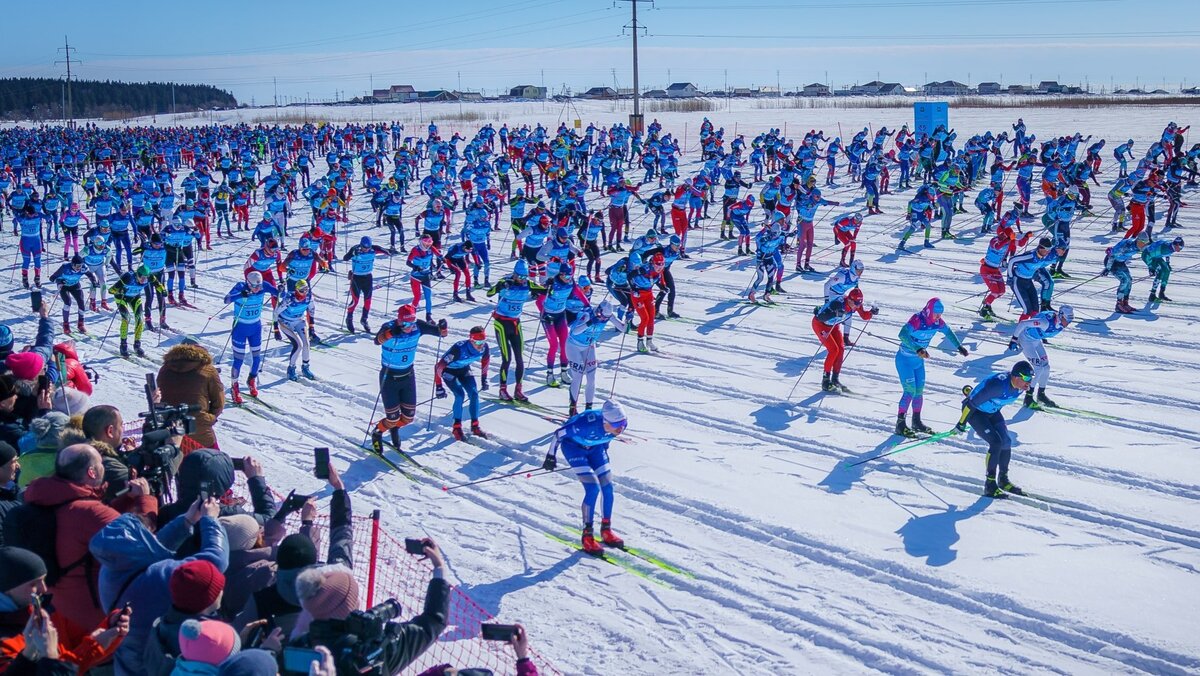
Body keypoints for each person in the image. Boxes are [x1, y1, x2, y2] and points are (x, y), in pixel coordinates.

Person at [12, 445, 157, 630]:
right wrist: (144, 500)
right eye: (101, 463)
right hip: (95, 621)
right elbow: (141, 540)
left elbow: (92, 523)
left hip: (59, 610)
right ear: (91, 472)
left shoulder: (46, 499)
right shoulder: (89, 513)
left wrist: (126, 500)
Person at [89, 496, 227, 676]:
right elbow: (214, 563)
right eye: (149, 536)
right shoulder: (157, 577)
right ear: (139, 542)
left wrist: (187, 521)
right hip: (149, 663)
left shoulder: (111, 566)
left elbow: (152, 550)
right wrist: (211, 520)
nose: (154, 537)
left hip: (126, 656)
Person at [289, 539, 449, 675]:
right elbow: (434, 620)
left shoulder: (296, 649)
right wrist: (439, 567)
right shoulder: (377, 650)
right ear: (350, 606)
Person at [0, 546, 130, 674]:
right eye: (34, 584)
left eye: (44, 580)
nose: (44, 589)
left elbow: (78, 644)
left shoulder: (44, 610)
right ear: (7, 588)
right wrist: (51, 656)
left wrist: (109, 629)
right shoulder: (4, 640)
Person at [541, 400, 629, 554]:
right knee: (593, 488)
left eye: (624, 423)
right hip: (574, 449)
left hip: (596, 448)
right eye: (617, 425)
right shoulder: (585, 424)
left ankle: (606, 530)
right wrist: (550, 456)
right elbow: (559, 434)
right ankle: (587, 536)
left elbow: (607, 439)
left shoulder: (614, 427)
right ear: (605, 421)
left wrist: (605, 451)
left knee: (607, 487)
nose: (621, 429)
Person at [370, 304, 447, 453]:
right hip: (390, 377)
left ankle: (394, 429)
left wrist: (443, 327)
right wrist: (391, 333)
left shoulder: (417, 326)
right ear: (399, 320)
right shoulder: (389, 326)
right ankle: (377, 432)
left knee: (408, 418)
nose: (409, 327)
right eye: (405, 324)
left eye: (412, 323)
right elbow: (377, 341)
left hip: (408, 376)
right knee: (392, 418)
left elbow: (441, 334)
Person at [956, 361, 1034, 498]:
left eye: (1031, 379)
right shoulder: (997, 385)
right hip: (975, 413)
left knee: (1006, 441)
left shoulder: (1020, 386)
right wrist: (961, 423)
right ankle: (990, 484)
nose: (1029, 382)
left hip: (992, 411)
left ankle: (1003, 480)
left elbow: (999, 399)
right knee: (996, 443)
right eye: (1027, 378)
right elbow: (970, 404)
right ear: (1016, 377)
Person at [894, 298, 970, 437]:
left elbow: (948, 332)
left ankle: (916, 422)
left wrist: (959, 346)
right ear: (929, 311)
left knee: (919, 391)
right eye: (936, 314)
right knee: (909, 391)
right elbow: (902, 334)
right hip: (904, 360)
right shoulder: (917, 319)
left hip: (918, 361)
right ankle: (900, 424)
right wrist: (917, 348)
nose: (938, 317)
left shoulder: (937, 322)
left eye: (940, 314)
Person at [486, 260, 544, 402]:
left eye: (525, 277)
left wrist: (551, 283)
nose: (522, 280)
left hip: (515, 323)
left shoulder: (528, 284)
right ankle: (502, 389)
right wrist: (500, 286)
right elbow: (489, 293)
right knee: (507, 358)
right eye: (520, 277)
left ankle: (518, 389)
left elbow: (544, 290)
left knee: (519, 358)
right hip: (501, 323)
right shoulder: (506, 282)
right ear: (514, 274)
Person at [222, 271, 279, 404]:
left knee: (257, 357)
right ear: (248, 283)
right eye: (254, 287)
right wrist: (240, 295)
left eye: (259, 287)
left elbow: (277, 293)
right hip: (240, 328)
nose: (257, 290)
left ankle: (251, 380)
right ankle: (234, 387)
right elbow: (226, 299)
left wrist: (280, 290)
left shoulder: (263, 285)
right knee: (238, 360)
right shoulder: (240, 287)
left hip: (255, 327)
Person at [157, 343, 225, 449]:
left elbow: (159, 396)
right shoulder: (208, 369)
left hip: (170, 425)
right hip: (198, 425)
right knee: (214, 460)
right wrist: (209, 418)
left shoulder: (165, 369)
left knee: (173, 460)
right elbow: (219, 402)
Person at [811, 288, 877, 393]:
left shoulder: (856, 304)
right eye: (856, 303)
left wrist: (872, 312)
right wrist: (834, 313)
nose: (858, 306)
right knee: (834, 350)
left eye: (860, 303)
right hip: (820, 325)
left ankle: (835, 379)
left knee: (841, 349)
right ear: (850, 300)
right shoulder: (838, 303)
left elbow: (864, 316)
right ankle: (825, 381)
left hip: (834, 326)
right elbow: (821, 317)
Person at [564, 301, 624, 417]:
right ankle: (572, 408)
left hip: (589, 346)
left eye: (606, 318)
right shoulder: (587, 315)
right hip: (573, 346)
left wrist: (628, 321)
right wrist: (590, 323)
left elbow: (622, 328)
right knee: (578, 376)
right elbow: (574, 331)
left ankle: (588, 409)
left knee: (591, 378)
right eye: (602, 317)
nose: (603, 320)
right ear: (598, 311)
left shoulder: (608, 316)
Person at [433, 326, 490, 442]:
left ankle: (475, 426)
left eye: (483, 341)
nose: (481, 345)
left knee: (474, 394)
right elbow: (439, 366)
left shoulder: (485, 348)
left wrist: (484, 379)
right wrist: (439, 386)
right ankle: (456, 427)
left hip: (463, 369)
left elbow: (485, 361)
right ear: (471, 340)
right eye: (478, 342)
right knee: (460, 395)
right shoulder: (459, 349)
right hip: (449, 371)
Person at [1012, 305, 1073, 409]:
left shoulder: (1059, 323)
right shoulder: (1045, 323)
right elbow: (1023, 323)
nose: (1068, 323)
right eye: (1067, 320)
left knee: (1046, 368)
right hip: (1026, 341)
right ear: (1061, 316)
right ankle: (1028, 397)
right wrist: (1014, 339)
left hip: (1035, 340)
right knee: (1039, 368)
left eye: (1070, 320)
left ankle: (1041, 395)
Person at [342, 236, 391, 333]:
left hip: (368, 277)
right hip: (356, 278)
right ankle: (349, 319)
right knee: (355, 301)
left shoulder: (373, 249)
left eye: (368, 248)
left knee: (368, 300)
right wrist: (352, 253)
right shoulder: (356, 249)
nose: (366, 250)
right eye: (364, 248)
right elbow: (345, 258)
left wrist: (388, 252)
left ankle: (364, 319)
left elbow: (382, 250)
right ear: (361, 245)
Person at [274, 279, 316, 381]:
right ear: (296, 290)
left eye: (306, 289)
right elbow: (276, 312)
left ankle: (305, 367)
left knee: (306, 344)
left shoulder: (309, 297)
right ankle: (291, 368)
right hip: (285, 322)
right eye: (302, 290)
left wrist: (311, 327)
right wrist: (276, 330)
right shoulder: (289, 298)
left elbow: (311, 310)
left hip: (299, 321)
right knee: (298, 346)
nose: (304, 293)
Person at [1144, 235, 1184, 302]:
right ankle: (1152, 295)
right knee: (1160, 272)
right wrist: (1150, 268)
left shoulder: (1171, 247)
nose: (1180, 250)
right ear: (1176, 245)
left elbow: (1168, 254)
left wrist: (1167, 263)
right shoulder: (1165, 249)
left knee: (1167, 271)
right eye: (1180, 247)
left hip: (1157, 256)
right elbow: (1150, 256)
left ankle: (1161, 293)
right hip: (1149, 256)